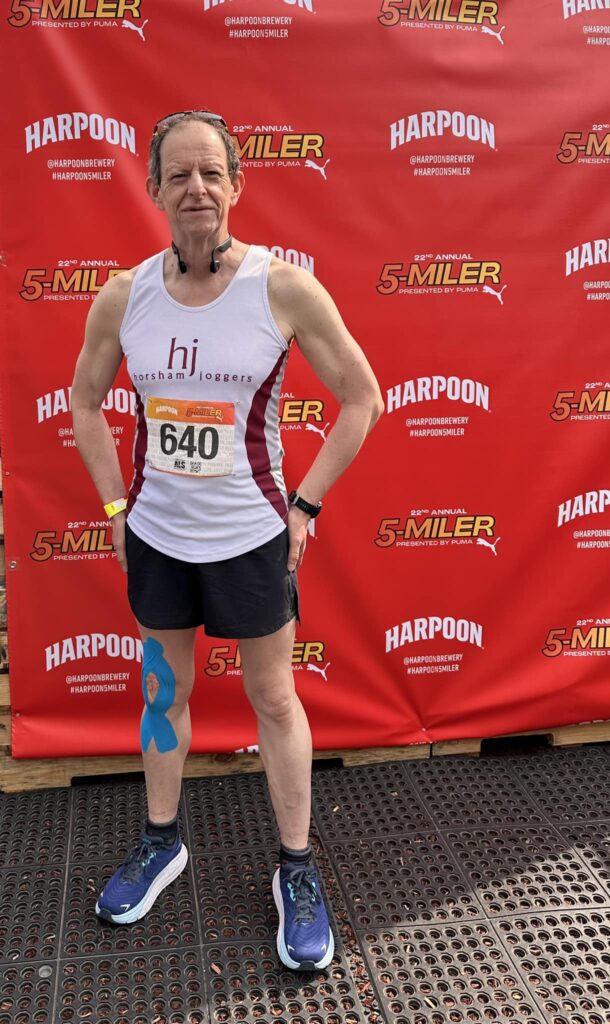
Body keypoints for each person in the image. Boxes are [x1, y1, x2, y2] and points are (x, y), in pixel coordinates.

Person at [71, 109, 383, 971]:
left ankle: (296, 866)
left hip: (251, 539)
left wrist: (306, 507)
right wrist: (112, 510)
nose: (196, 188)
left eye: (211, 173)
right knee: (163, 692)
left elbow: (363, 396)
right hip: (161, 540)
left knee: (273, 700)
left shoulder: (281, 288)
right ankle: (162, 842)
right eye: (179, 174)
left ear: (237, 185)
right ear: (154, 189)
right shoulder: (123, 295)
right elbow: (85, 400)